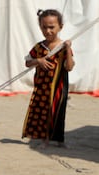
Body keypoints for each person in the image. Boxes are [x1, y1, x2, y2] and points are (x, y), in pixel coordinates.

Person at [22, 9, 75, 148]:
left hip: (59, 87)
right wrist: (38, 61)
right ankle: (45, 139)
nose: (48, 31)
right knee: (43, 112)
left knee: (58, 111)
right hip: (42, 87)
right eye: (44, 27)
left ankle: (59, 140)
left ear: (60, 27)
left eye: (51, 27)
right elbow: (28, 62)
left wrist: (68, 50)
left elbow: (69, 67)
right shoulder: (39, 47)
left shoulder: (63, 47)